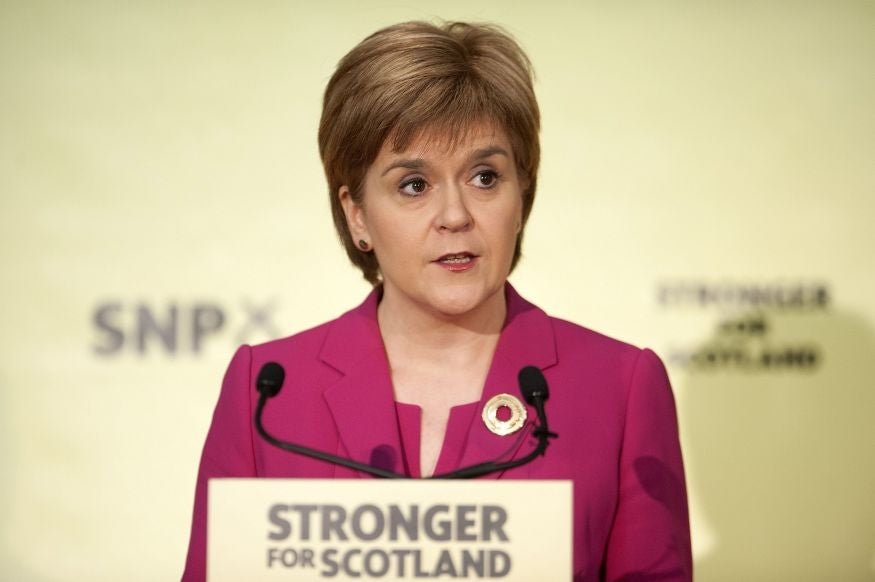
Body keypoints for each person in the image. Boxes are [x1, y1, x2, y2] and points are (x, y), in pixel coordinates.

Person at [182, 21, 692, 581]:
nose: (455, 215)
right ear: (358, 215)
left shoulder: (619, 388)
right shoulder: (268, 392)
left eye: (484, 176)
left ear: (521, 195)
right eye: (414, 185)